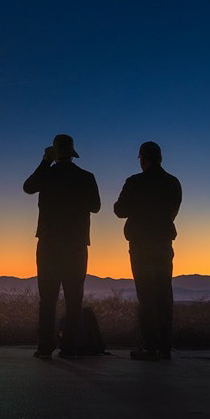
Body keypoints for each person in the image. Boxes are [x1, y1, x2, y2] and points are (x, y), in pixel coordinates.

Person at [23, 134, 101, 359]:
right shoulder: (86, 176)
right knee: (74, 297)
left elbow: (28, 187)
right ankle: (69, 347)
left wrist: (44, 161)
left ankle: (45, 346)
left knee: (47, 297)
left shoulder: (47, 174)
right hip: (76, 243)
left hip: (49, 242)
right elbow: (95, 207)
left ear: (54, 152)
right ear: (72, 153)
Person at [114, 141, 181, 361]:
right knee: (163, 294)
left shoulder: (135, 182)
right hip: (163, 243)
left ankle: (149, 346)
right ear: (160, 158)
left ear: (143, 158)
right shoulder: (173, 183)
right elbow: (173, 210)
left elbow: (119, 210)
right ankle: (165, 347)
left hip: (141, 244)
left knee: (146, 295)